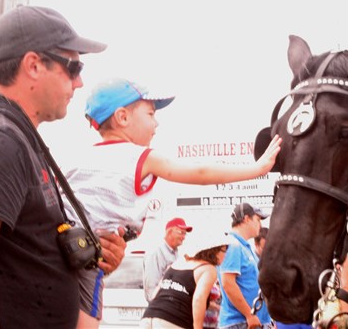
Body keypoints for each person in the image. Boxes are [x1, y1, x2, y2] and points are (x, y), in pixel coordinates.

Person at [0, 6, 126, 328]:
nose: (79, 82)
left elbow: (25, 252)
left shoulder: (13, 136)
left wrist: (88, 255)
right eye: (73, 67)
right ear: (33, 65)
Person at [63, 78, 281, 327]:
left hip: (65, 251)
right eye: (150, 114)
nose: (156, 123)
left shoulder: (79, 156)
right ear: (122, 117)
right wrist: (257, 169)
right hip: (89, 262)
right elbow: (201, 174)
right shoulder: (140, 156)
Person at [141, 232, 232, 329]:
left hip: (149, 316)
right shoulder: (208, 269)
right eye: (225, 250)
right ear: (214, 251)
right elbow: (198, 299)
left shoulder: (180, 262)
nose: (226, 255)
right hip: (174, 320)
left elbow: (157, 292)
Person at [218, 203, 273, 329]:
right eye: (258, 220)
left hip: (252, 322)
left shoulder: (243, 247)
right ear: (246, 219)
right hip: (241, 322)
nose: (260, 224)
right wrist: (249, 315)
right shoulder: (234, 244)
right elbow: (228, 283)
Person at [143, 217, 193, 302]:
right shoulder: (156, 252)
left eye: (185, 234)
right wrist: (156, 306)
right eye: (181, 233)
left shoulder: (176, 254)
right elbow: (151, 285)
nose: (183, 237)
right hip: (160, 306)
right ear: (169, 232)